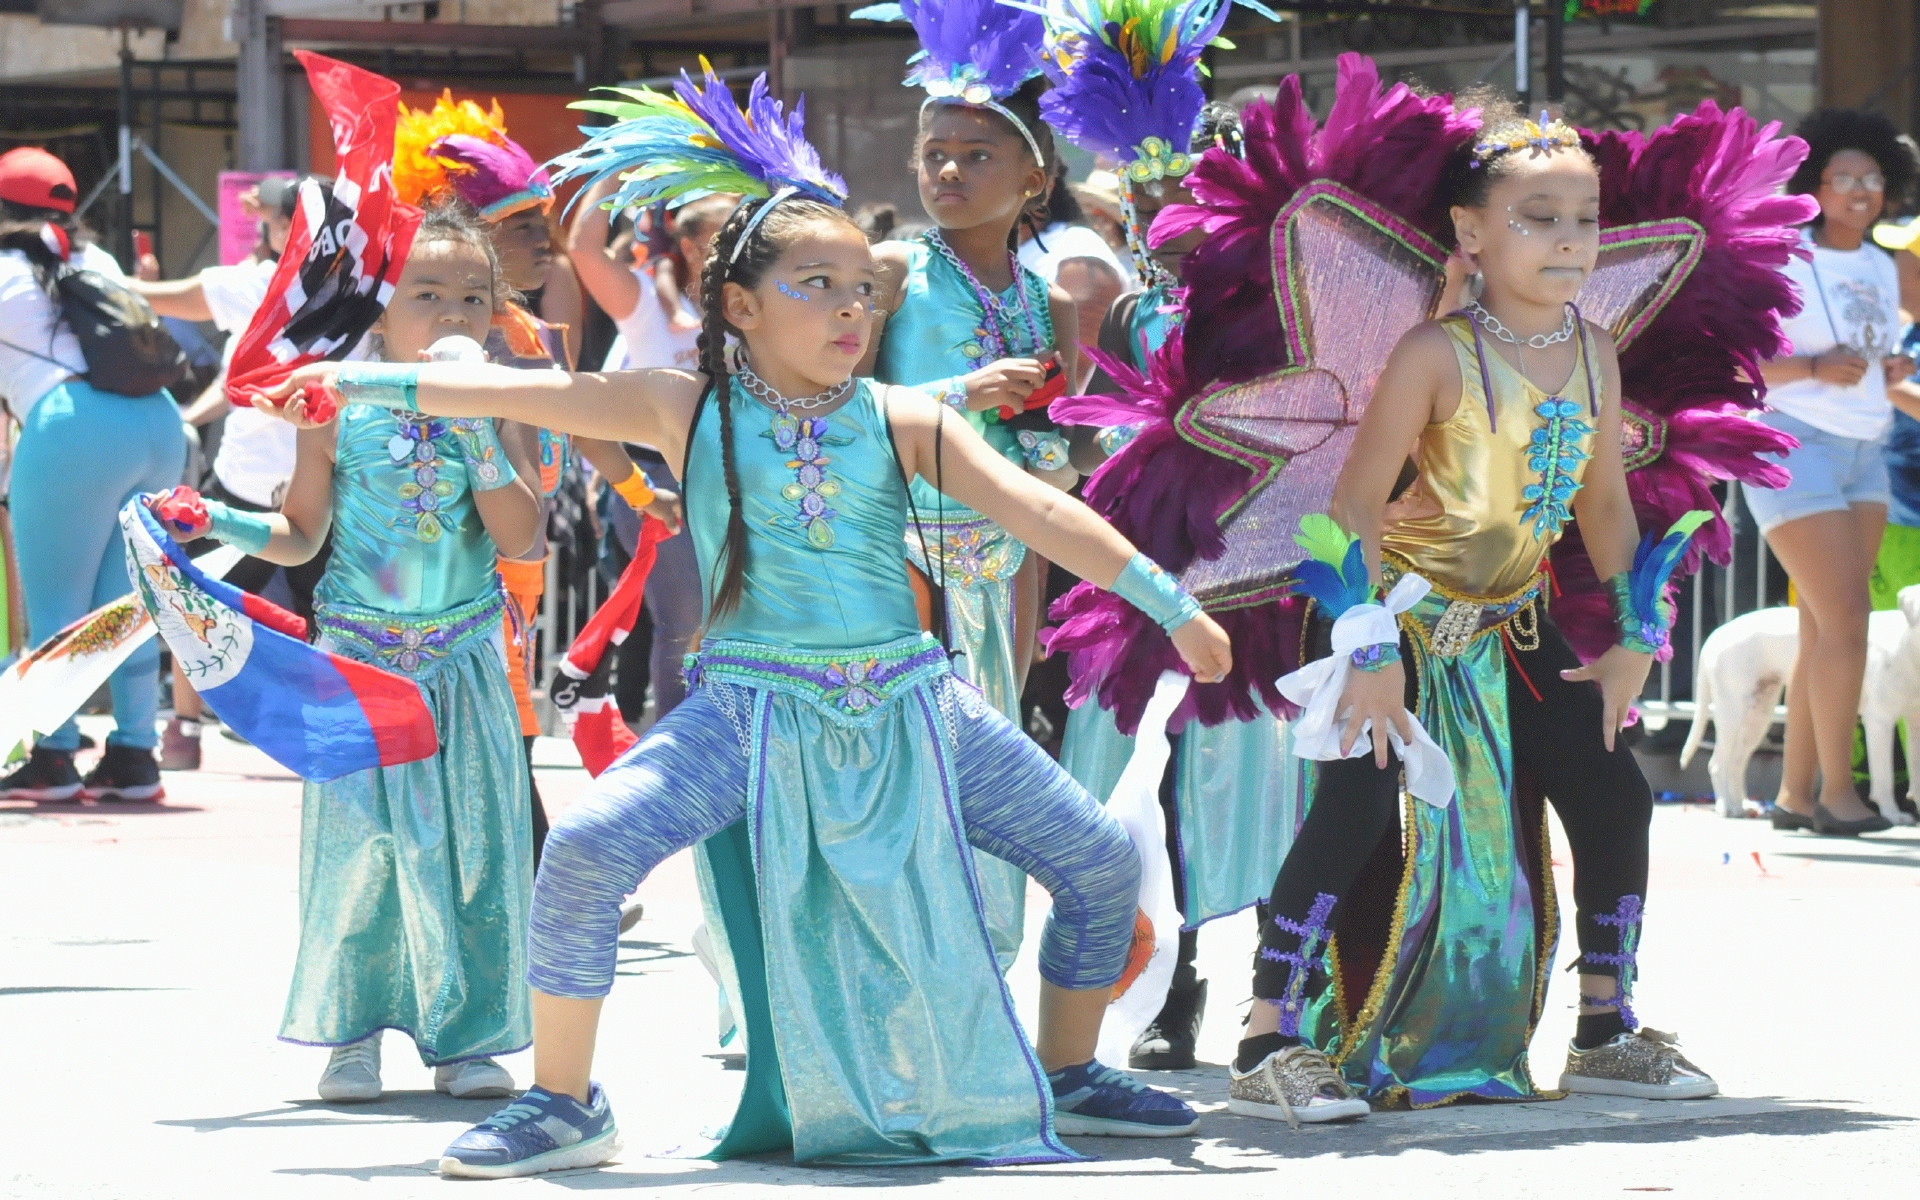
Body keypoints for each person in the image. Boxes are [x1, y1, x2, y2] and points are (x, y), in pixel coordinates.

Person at [263, 65, 1231, 1177]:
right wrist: (353, 389)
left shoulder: (905, 416)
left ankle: (1067, 1074)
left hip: (913, 708)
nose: (852, 310)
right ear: (740, 304)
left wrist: (1168, 601)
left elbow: (1041, 507)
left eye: (865, 290)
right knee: (582, 848)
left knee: (1101, 863)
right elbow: (519, 397)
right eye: (818, 286)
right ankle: (565, 1104)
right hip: (748, 709)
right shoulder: (686, 407)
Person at [1223, 100, 1728, 1122]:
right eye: (1538, 217)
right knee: (1359, 809)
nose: (1570, 240)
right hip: (1386, 611)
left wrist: (1639, 640)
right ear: (1471, 234)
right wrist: (1366, 649)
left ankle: (1603, 1027)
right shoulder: (1433, 355)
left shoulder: (1593, 350)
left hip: (1516, 620)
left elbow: (1609, 509)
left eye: (1583, 218)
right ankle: (1265, 1037)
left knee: (1613, 794)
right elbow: (1353, 509)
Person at [153, 198, 544, 1103]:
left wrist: (480, 427)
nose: (454, 315)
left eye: (474, 298)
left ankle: (466, 1039)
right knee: (360, 851)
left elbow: (521, 540)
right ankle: (354, 1031)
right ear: (380, 308)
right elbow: (296, 535)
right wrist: (209, 516)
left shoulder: (508, 399)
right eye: (428, 294)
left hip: (462, 666)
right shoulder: (335, 406)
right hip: (360, 665)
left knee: (475, 851)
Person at [1038, 1, 1288, 1072]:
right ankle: (1169, 982)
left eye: (1206, 189)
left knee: (1284, 768)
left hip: (1274, 561)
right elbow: (1099, 435)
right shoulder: (1132, 308)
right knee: (1161, 773)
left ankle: (1289, 981)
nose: (1183, 209)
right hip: (1158, 567)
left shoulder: (1292, 306)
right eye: (1166, 193)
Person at [857, 0, 1081, 968]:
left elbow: (1065, 464)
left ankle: (979, 978)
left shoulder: (1051, 302)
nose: (948, 171)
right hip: (898, 569)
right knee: (899, 783)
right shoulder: (891, 272)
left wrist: (1055, 449)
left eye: (976, 154)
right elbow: (835, 407)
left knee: (988, 775)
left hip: (1004, 574)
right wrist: (961, 392)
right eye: (934, 153)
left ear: (1037, 176)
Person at [390, 92, 664, 862]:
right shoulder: (420, 345)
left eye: (545, 223)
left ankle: (514, 876)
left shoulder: (539, 335)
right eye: (522, 227)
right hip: (451, 575)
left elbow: (586, 420)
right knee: (497, 724)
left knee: (501, 725)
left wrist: (644, 495)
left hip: (524, 569)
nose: (546, 242)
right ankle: (546, 884)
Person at [130, 175, 336, 771]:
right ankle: (188, 730)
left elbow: (160, 299)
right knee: (192, 600)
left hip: (311, 489)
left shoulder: (328, 294)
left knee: (320, 618)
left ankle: (210, 731)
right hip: (252, 486)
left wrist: (92, 277)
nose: (261, 224)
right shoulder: (265, 286)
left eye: (269, 216)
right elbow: (170, 308)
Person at [1751, 108, 1920, 837]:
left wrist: (1895, 371)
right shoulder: (1783, 257)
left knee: (1824, 626)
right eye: (1843, 177)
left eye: (1872, 177)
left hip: (1866, 448)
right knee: (1848, 620)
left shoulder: (1890, 265)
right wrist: (1812, 367)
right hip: (1794, 443)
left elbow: (1880, 363)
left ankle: (1794, 795)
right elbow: (1735, 367)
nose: (1860, 189)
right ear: (1812, 184)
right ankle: (1839, 797)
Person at [0, 146, 185, 801]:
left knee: (58, 608)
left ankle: (51, 757)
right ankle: (135, 755)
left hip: (69, 430)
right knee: (127, 605)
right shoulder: (99, 259)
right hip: (160, 424)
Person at [571, 181, 732, 721]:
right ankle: (681, 761)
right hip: (656, 481)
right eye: (724, 234)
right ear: (689, 246)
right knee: (683, 627)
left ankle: (735, 756)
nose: (742, 244)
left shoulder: (753, 302)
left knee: (736, 628)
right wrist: (615, 171)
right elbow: (584, 251)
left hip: (735, 478)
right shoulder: (645, 303)